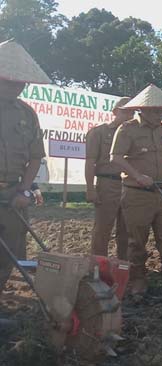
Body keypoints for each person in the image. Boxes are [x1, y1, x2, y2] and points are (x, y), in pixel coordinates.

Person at [111, 84, 162, 294]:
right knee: (136, 240)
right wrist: (137, 175)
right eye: (156, 110)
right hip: (137, 194)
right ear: (143, 109)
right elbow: (116, 158)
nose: (160, 114)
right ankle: (137, 279)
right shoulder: (127, 129)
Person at [0, 40, 49, 291]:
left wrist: (25, 190)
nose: (16, 87)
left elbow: (35, 157)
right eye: (10, 81)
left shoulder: (27, 114)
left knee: (10, 252)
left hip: (12, 194)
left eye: (21, 82)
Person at [85, 96, 133, 259]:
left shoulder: (133, 134)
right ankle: (98, 267)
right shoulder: (99, 132)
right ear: (115, 112)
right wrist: (90, 189)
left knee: (126, 229)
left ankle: (123, 266)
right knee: (103, 228)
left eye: (132, 112)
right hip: (107, 183)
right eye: (125, 112)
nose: (130, 115)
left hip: (129, 185)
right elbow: (90, 162)